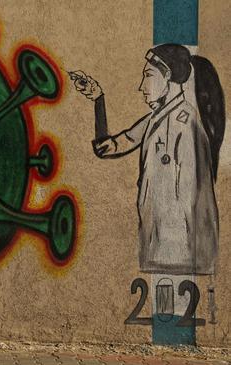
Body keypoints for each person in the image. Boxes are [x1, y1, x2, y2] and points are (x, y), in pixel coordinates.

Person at [72, 44, 224, 275]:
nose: (142, 87)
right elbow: (110, 146)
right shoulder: (156, 118)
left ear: (168, 76)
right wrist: (98, 99)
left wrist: (190, 257)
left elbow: (191, 199)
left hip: (181, 256)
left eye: (148, 76)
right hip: (157, 246)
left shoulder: (186, 125)